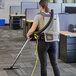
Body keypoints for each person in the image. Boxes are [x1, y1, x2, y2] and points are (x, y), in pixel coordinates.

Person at [27, 0, 61, 76]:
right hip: (54, 41)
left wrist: (28, 34)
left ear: (39, 6)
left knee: (44, 65)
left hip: (43, 42)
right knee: (55, 63)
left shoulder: (38, 16)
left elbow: (32, 29)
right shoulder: (53, 15)